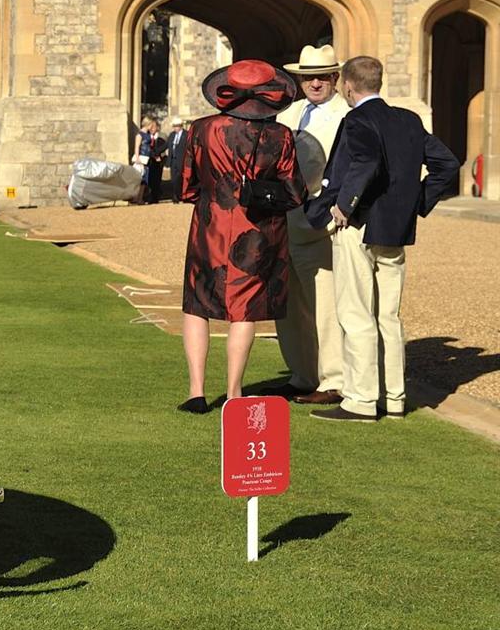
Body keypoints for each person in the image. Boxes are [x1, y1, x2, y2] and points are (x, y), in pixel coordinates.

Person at [305, 56, 458, 422]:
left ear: (347, 86)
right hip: (395, 230)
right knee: (388, 317)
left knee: (356, 314)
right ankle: (394, 399)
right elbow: (447, 164)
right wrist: (418, 202)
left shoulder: (357, 119)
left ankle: (359, 400)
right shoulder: (408, 120)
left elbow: (366, 163)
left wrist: (345, 204)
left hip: (359, 226)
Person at [176, 61, 304, 413]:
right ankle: (234, 393)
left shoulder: (200, 129)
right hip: (258, 229)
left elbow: (185, 186)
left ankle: (196, 391)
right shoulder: (281, 136)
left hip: (210, 224)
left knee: (197, 304)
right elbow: (295, 193)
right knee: (244, 310)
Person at [269, 44, 350, 405]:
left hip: (321, 224)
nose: (315, 83)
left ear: (334, 77)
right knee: (289, 306)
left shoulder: (346, 115)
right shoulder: (290, 113)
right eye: (308, 77)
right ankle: (302, 374)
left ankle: (334, 378)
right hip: (284, 221)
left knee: (326, 305)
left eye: (322, 76)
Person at [133, 115, 165, 202]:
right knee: (140, 179)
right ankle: (136, 197)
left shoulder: (148, 135)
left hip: (147, 159)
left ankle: (140, 198)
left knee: (145, 180)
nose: (152, 127)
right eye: (151, 124)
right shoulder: (139, 134)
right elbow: (137, 147)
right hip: (141, 158)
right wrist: (137, 157)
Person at [163, 117, 189, 188]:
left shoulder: (186, 134)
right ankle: (175, 195)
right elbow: (166, 145)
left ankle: (180, 194)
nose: (175, 128)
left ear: (180, 126)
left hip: (182, 160)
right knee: (173, 179)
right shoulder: (172, 135)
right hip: (173, 160)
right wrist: (156, 152)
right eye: (174, 126)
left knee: (180, 178)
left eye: (176, 126)